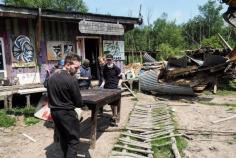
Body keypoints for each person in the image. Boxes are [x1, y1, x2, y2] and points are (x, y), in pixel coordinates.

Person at [47, 54, 82, 158]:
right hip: (67, 113)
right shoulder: (71, 79)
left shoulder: (51, 77)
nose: (77, 70)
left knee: (63, 137)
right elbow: (78, 103)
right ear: (67, 64)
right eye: (76, 67)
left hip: (54, 113)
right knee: (73, 140)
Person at [100, 54, 122, 125]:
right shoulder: (105, 68)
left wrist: (119, 84)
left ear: (112, 60)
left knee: (115, 103)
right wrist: (102, 84)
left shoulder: (116, 68)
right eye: (107, 60)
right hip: (107, 87)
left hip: (114, 87)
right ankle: (114, 115)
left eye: (110, 60)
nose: (108, 61)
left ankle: (115, 116)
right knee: (110, 103)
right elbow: (104, 78)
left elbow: (121, 77)